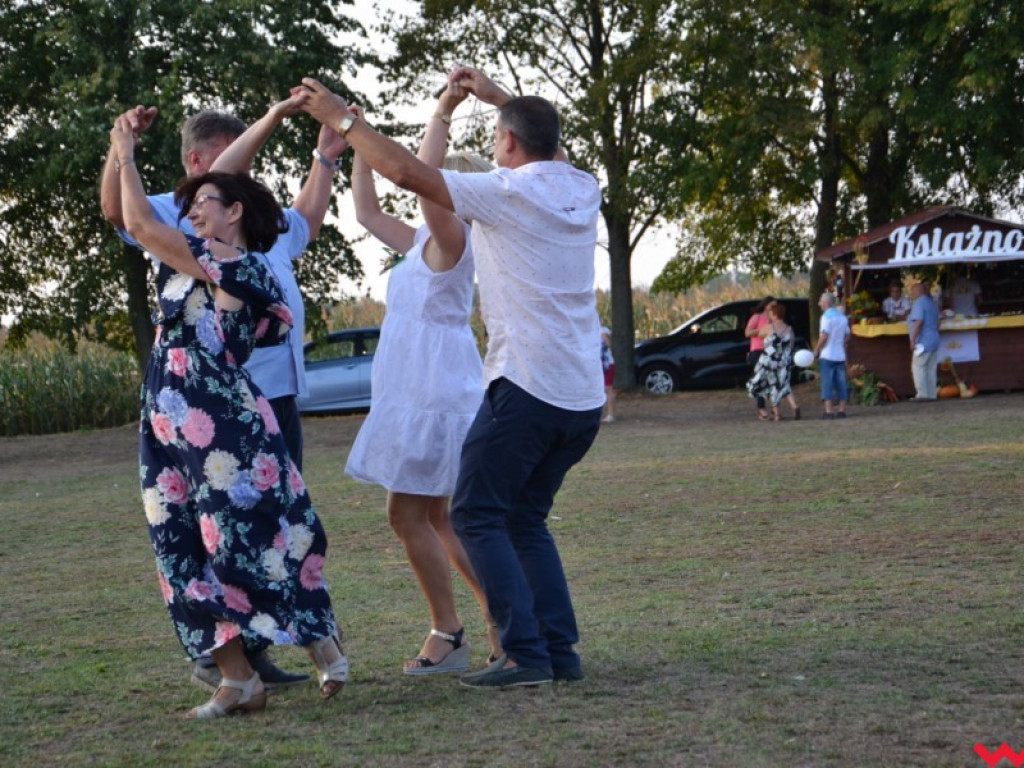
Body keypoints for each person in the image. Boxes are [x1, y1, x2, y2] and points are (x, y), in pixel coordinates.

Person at [299, 66, 605, 688]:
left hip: (525, 385)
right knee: (521, 519)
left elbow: (411, 174)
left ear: (507, 145)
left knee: (474, 514)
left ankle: (521, 650)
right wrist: (498, 101)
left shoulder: (502, 195)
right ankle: (557, 653)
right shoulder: (580, 186)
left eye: (498, 137)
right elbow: (541, 146)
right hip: (580, 395)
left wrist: (345, 120)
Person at [108, 102, 349, 719]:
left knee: (245, 541)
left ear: (233, 211)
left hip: (220, 420)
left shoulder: (229, 263)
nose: (189, 211)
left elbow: (139, 220)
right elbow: (158, 207)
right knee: (178, 546)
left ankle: (316, 633)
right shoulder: (197, 249)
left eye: (202, 203)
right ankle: (237, 679)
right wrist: (274, 115)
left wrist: (126, 153)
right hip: (166, 418)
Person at [342, 93, 501, 674]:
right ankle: (480, 626)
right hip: (415, 390)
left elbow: (418, 178)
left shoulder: (455, 244)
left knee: (417, 515)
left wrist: (442, 112)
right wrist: (353, 144)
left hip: (436, 393)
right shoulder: (420, 245)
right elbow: (366, 212)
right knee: (431, 516)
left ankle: (477, 626)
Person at [746, 301, 801, 421]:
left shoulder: (769, 327)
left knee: (772, 385)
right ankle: (794, 405)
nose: (768, 316)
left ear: (775, 315)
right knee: (784, 384)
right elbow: (791, 344)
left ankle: (777, 414)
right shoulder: (789, 329)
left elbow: (759, 334)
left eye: (770, 314)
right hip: (784, 361)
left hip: (769, 360)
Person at [812, 292, 849, 419]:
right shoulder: (843, 317)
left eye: (821, 301)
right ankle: (841, 410)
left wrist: (816, 350)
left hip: (827, 355)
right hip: (840, 355)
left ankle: (829, 411)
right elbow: (847, 335)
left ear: (827, 303)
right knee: (841, 383)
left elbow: (824, 336)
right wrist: (841, 343)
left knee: (827, 383)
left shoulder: (826, 317)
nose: (819, 304)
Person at [907, 278, 941, 401]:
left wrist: (912, 340)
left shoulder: (919, 303)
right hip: (934, 338)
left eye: (912, 291)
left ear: (918, 291)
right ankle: (931, 394)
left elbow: (919, 321)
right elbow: (938, 322)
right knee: (931, 368)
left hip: (923, 341)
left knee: (918, 366)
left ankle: (922, 394)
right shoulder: (931, 302)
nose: (911, 293)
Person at [745, 297, 774, 420]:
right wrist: (761, 331)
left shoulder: (774, 318)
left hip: (771, 350)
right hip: (757, 350)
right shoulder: (757, 317)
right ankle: (761, 407)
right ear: (766, 306)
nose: (775, 307)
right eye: (772, 305)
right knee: (760, 379)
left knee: (772, 379)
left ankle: (774, 407)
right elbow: (747, 333)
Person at [600, 326, 616, 423]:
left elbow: (607, 344)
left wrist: (603, 338)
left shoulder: (602, 330)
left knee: (608, 388)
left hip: (607, 364)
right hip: (597, 365)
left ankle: (610, 414)